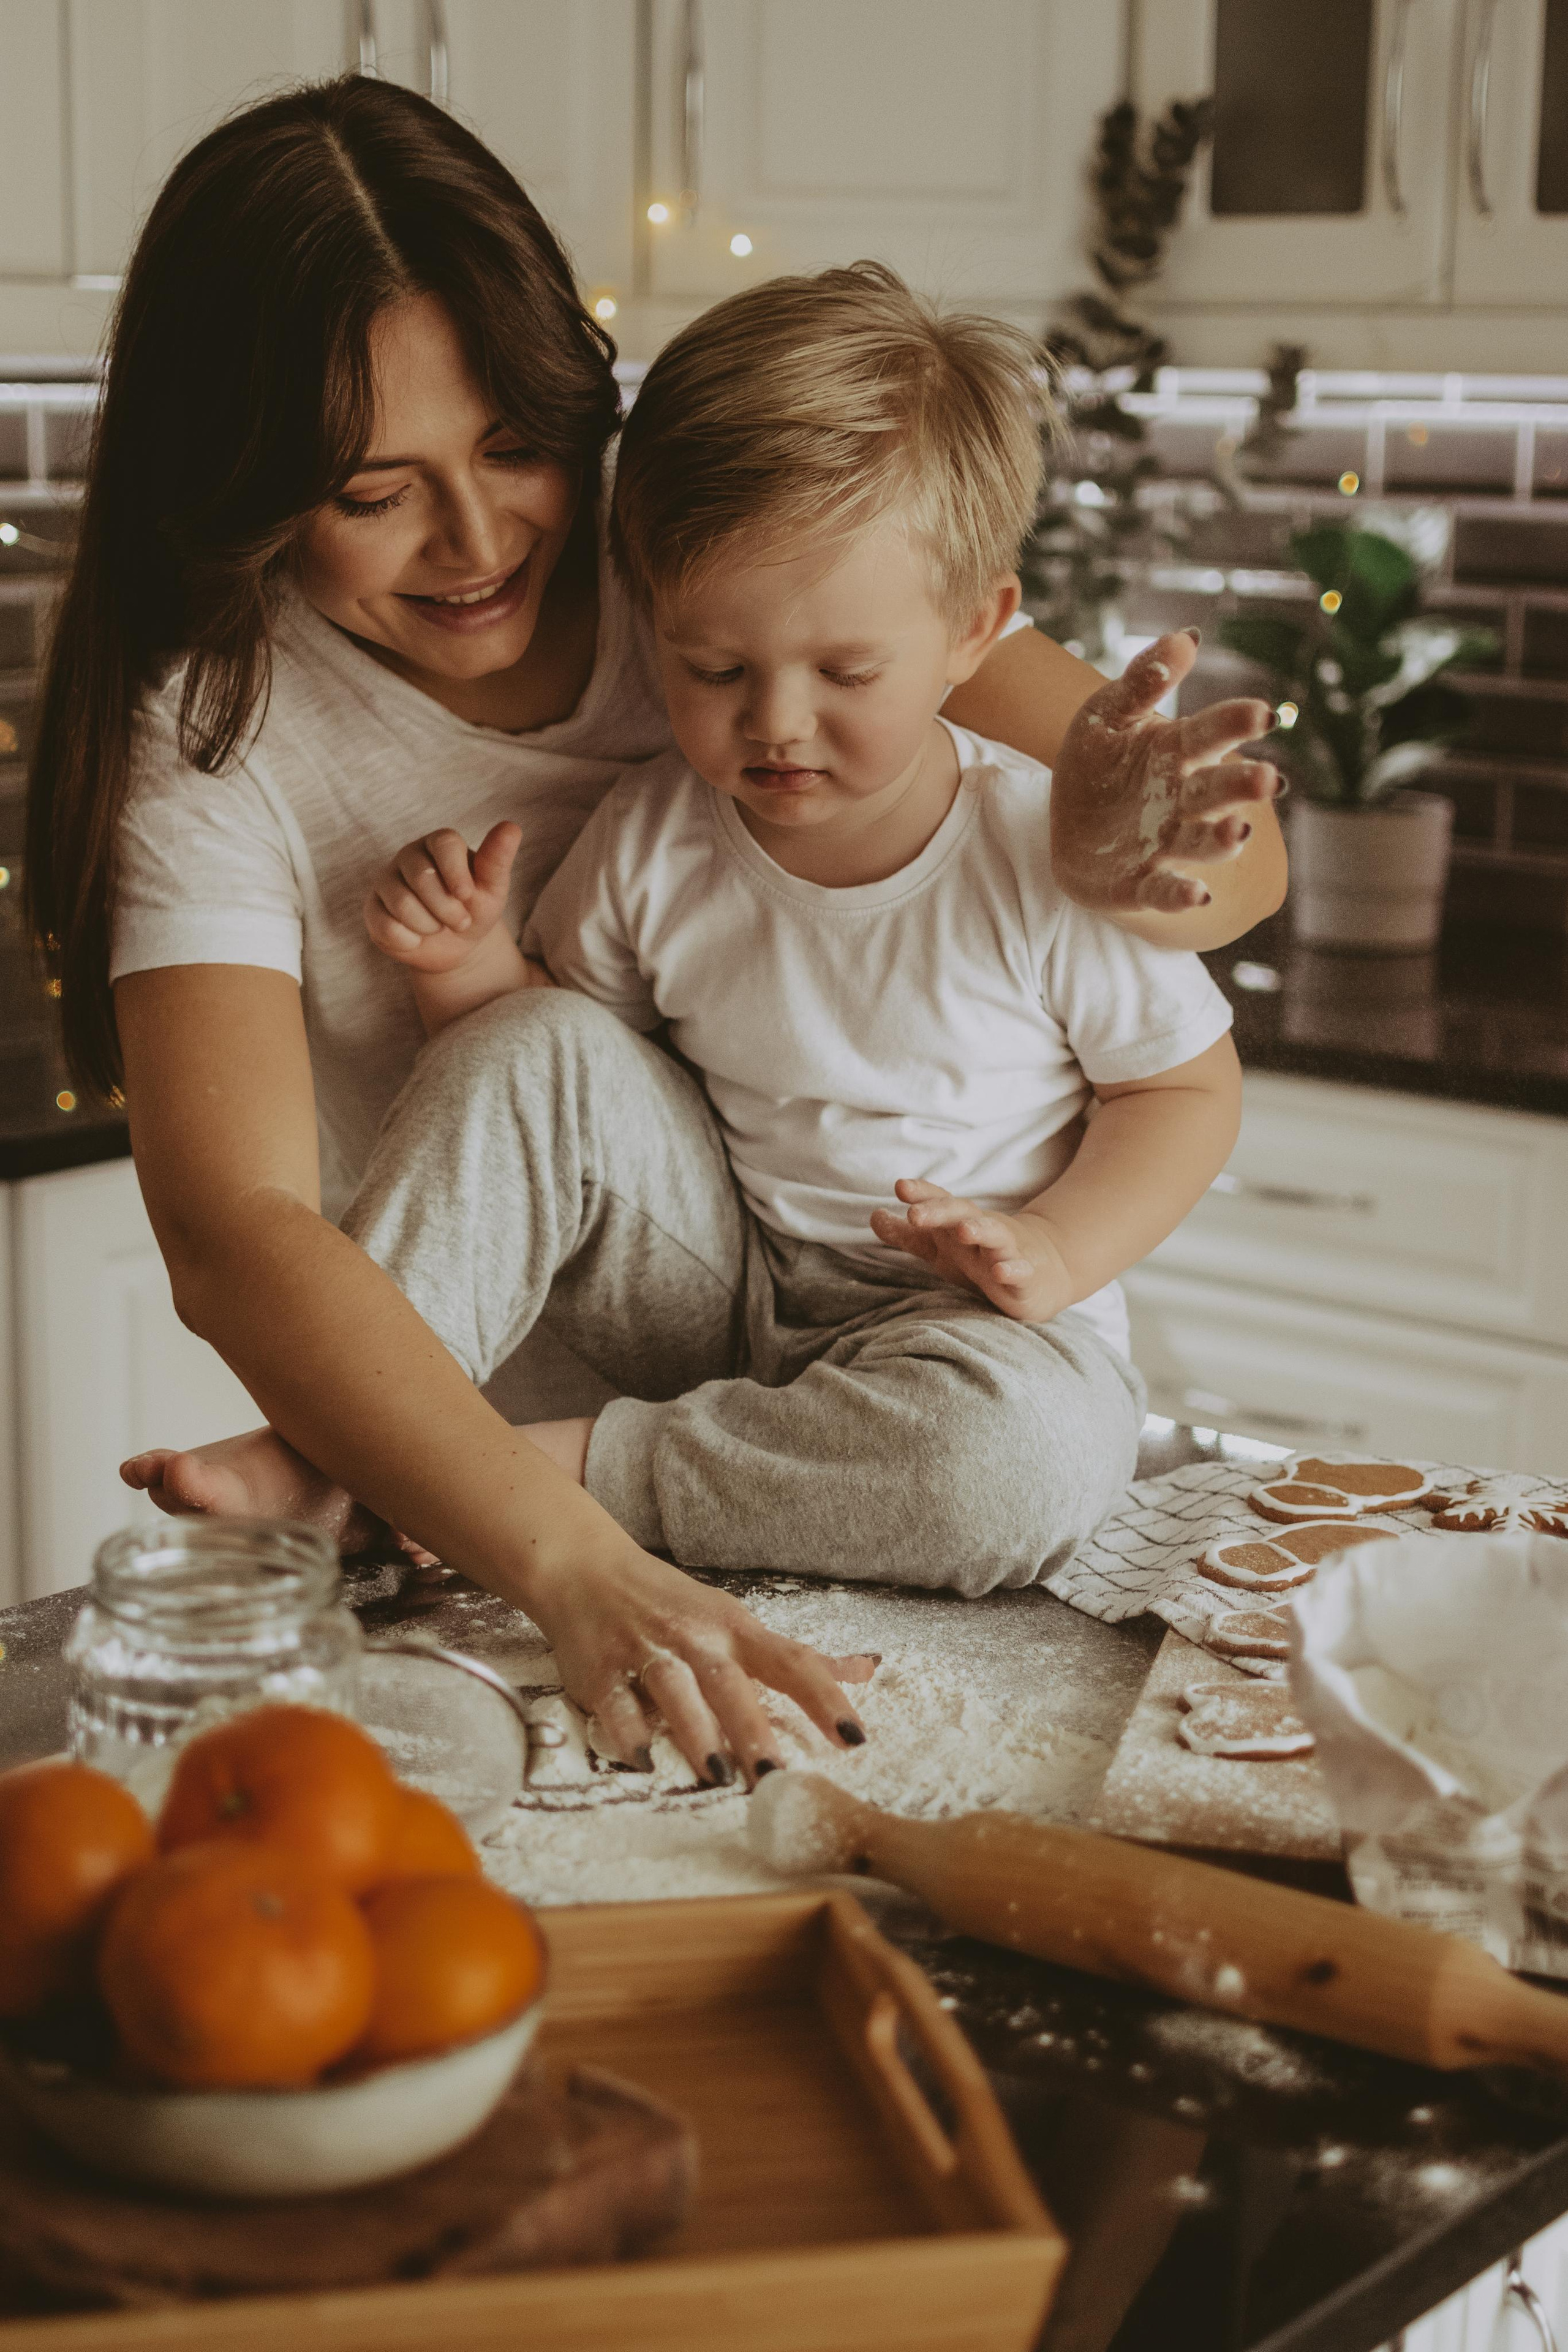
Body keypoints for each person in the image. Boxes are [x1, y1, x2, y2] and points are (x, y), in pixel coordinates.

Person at [23, 78, 1280, 1779]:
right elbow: (239, 1220)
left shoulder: (738, 563)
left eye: (520, 447)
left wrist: (1145, 859)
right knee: (537, 1038)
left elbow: (1233, 854)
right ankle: (353, 1476)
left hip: (899, 1350)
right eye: (375, 489)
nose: (479, 544)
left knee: (1028, 1461)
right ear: (244, 486)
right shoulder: (225, 736)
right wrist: (566, 1567)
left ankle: (457, 1474)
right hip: (527, 1426)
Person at [333, 263, 1242, 1613]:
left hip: (974, 1337)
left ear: (971, 632)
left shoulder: (1035, 850)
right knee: (528, 1034)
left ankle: (563, 1470)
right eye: (713, 670)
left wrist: (1051, 1245)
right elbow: (567, 1087)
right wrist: (465, 975)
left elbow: (1181, 1092)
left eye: (843, 673)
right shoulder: (655, 834)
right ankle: (346, 1434)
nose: (773, 723)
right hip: (725, 1293)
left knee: (1023, 1473)